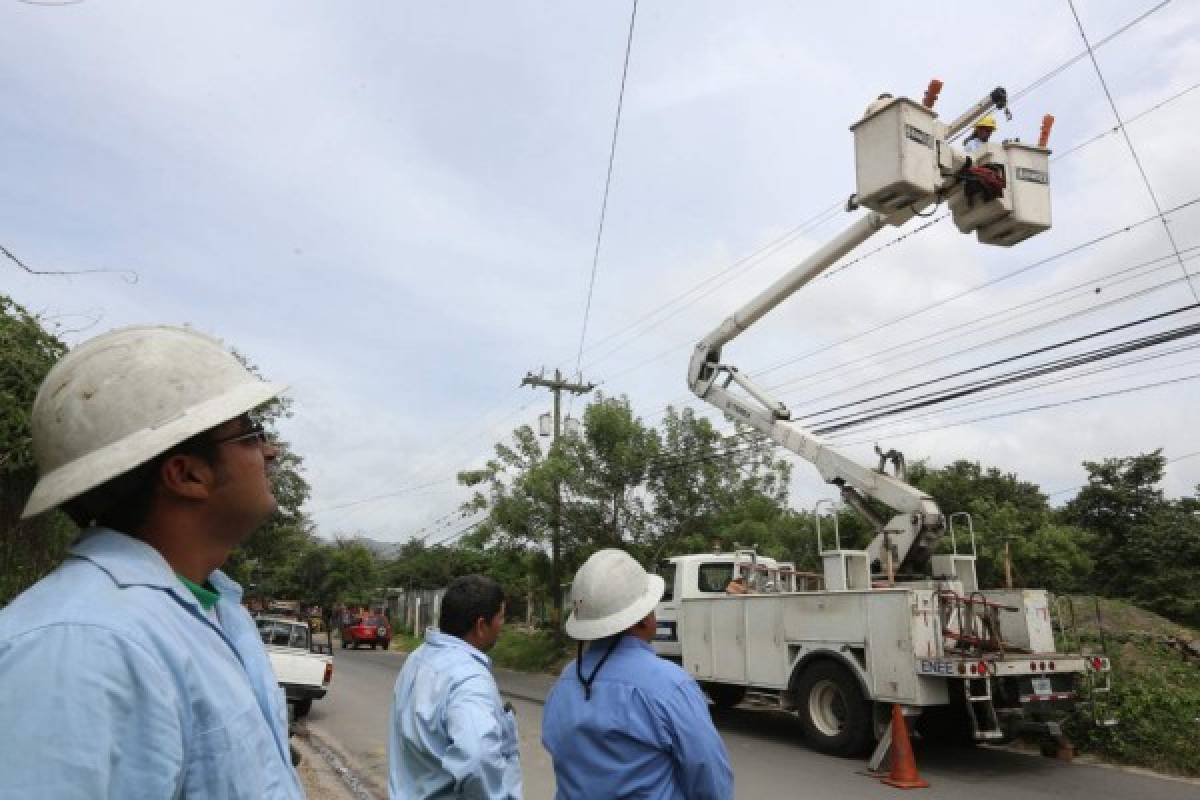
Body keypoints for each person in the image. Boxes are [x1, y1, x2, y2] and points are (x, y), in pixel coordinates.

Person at [0, 325, 303, 798]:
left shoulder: (213, 609)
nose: (271, 450)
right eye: (251, 434)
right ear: (187, 474)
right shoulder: (80, 646)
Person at [542, 549, 733, 800]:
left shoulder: (567, 681)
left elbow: (557, 747)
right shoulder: (670, 685)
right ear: (642, 618)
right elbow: (709, 777)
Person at [389, 575, 521, 800]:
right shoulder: (470, 679)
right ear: (481, 625)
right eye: (500, 617)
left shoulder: (417, 659)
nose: (502, 626)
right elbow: (477, 758)